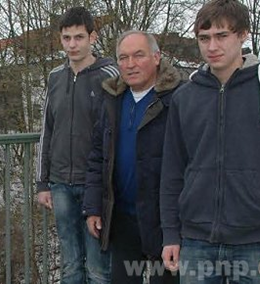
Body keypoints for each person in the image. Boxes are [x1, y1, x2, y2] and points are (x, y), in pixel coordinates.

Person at [160, 0, 260, 283]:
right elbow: (172, 171)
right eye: (204, 38)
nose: (212, 46)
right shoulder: (184, 97)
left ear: (243, 34)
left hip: (257, 243)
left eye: (222, 36)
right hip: (196, 242)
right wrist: (171, 233)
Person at [83, 30, 181, 284]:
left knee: (165, 280)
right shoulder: (112, 100)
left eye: (139, 55)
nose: (130, 64)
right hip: (122, 217)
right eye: (123, 58)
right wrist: (94, 207)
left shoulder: (178, 98)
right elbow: (97, 157)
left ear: (157, 57)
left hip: (164, 221)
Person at [35, 6, 118, 284]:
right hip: (60, 185)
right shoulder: (55, 77)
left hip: (95, 186)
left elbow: (117, 133)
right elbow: (47, 130)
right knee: (70, 265)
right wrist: (42, 183)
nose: (72, 44)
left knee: (98, 267)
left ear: (92, 37)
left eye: (79, 37)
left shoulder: (110, 75)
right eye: (66, 38)